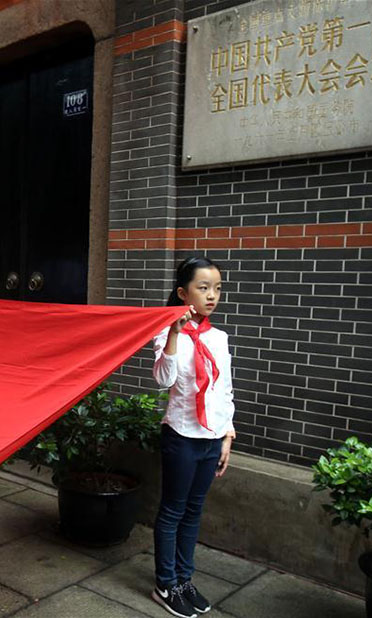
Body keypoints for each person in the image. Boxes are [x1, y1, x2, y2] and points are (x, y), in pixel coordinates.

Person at [151, 256, 235, 618]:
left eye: (217, 288)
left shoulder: (219, 338)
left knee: (193, 511)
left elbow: (224, 390)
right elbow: (164, 380)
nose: (212, 295)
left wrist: (227, 435)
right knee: (173, 510)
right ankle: (165, 584)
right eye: (203, 288)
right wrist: (173, 332)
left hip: (211, 438)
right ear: (183, 293)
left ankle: (184, 579)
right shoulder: (167, 334)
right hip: (182, 436)